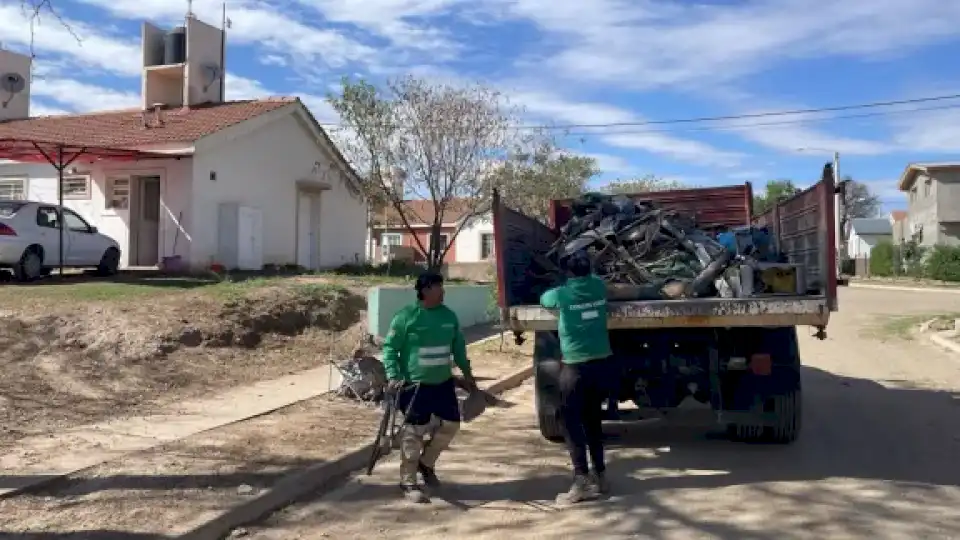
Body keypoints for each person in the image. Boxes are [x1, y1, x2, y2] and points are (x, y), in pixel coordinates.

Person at [382, 270, 478, 503]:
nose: (443, 291)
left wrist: (468, 376)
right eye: (438, 287)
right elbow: (389, 349)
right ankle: (408, 481)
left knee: (452, 425)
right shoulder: (406, 317)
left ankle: (426, 463)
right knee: (413, 433)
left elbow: (459, 350)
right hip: (414, 386)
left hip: (443, 384)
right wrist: (393, 375)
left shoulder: (449, 316)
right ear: (425, 290)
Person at [540, 251, 614, 504]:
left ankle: (581, 479)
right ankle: (601, 475)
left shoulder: (561, 294)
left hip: (575, 368)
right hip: (602, 365)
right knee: (593, 419)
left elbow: (544, 299)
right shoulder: (599, 286)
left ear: (569, 273)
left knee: (571, 423)